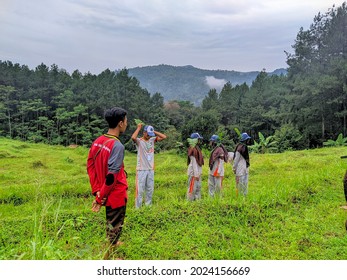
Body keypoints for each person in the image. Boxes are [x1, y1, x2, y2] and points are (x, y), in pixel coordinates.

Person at [86, 107, 128, 255]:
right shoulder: (117, 146)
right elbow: (111, 177)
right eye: (126, 120)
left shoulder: (98, 141)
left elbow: (90, 165)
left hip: (103, 190)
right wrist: (99, 197)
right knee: (115, 223)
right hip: (115, 193)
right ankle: (110, 255)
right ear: (121, 123)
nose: (127, 124)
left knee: (111, 219)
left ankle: (114, 243)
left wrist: (97, 189)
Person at [131, 122, 167, 208]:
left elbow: (164, 137)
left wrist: (153, 131)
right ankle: (138, 208)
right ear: (144, 132)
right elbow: (133, 137)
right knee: (140, 190)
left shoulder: (152, 140)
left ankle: (148, 207)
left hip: (150, 169)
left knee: (150, 189)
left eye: (150, 134)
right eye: (148, 134)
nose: (149, 136)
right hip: (141, 169)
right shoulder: (139, 141)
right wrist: (138, 128)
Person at [187, 132, 204, 201]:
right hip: (193, 173)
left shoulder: (197, 148)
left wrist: (199, 173)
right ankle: (189, 202)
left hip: (197, 172)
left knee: (198, 188)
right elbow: (194, 163)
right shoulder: (192, 149)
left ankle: (197, 202)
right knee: (192, 189)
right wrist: (196, 175)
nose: (199, 141)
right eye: (198, 139)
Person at [233, 132, 251, 197]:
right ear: (245, 140)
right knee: (244, 185)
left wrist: (234, 169)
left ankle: (241, 198)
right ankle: (243, 198)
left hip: (240, 170)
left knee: (240, 185)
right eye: (247, 139)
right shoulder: (243, 148)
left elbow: (235, 161)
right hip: (245, 169)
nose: (248, 141)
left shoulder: (239, 148)